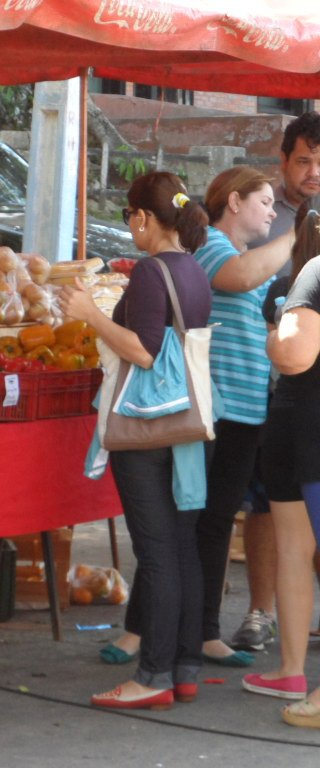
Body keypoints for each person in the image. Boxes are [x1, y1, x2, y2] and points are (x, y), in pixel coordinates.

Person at [101, 167, 294, 670]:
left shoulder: (193, 260)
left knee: (190, 532)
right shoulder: (205, 249)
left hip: (229, 406)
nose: (273, 214)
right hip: (207, 406)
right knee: (181, 529)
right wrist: (299, 234)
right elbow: (243, 278)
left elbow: (145, 346)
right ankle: (152, 638)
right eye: (264, 202)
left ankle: (187, 642)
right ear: (233, 202)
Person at [62, 172, 212, 710]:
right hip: (190, 425)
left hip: (150, 428)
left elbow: (145, 352)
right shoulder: (194, 268)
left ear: (144, 218)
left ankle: (153, 676)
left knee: (158, 554)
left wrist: (91, 314)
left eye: (129, 216)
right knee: (183, 549)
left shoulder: (152, 272)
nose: (130, 227)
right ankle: (185, 667)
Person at [233, 111, 320, 653]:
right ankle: (262, 611)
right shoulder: (262, 211)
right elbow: (236, 275)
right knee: (266, 507)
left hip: (308, 391)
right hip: (261, 380)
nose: (313, 171)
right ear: (284, 161)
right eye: (305, 160)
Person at [241, 198, 320, 705]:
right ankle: (292, 673)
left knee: (296, 550)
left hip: (303, 427)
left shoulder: (312, 272)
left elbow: (293, 354)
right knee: (295, 548)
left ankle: (295, 673)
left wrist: (272, 339)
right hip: (299, 436)